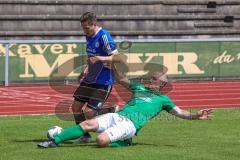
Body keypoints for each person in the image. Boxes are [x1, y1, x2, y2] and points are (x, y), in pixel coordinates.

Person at [38, 64, 213, 148]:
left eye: (155, 80)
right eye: (151, 78)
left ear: (161, 85)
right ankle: (55, 141)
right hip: (117, 116)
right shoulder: (139, 88)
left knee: (101, 141)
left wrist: (197, 115)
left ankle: (125, 142)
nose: (151, 80)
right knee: (86, 125)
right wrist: (112, 64)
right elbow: (121, 79)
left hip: (130, 125)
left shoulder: (163, 100)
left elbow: (181, 113)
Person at [71, 12, 123, 142]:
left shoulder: (104, 36)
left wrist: (100, 58)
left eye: (86, 28)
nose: (84, 31)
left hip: (104, 80)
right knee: (76, 107)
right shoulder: (89, 36)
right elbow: (91, 57)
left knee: (89, 113)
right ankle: (84, 136)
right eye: (83, 28)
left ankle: (111, 110)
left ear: (94, 24)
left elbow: (118, 58)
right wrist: (86, 69)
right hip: (90, 79)